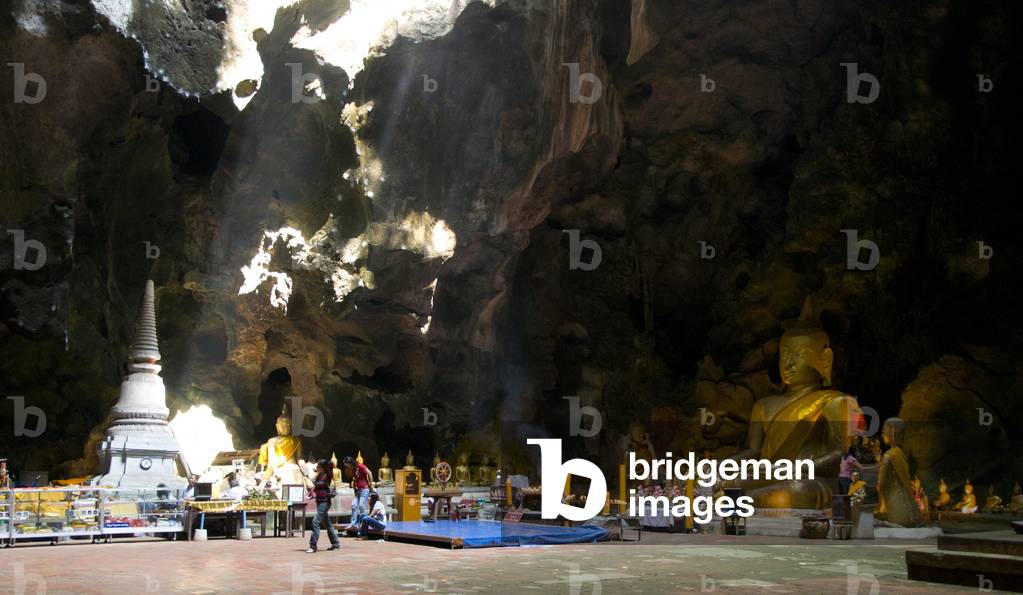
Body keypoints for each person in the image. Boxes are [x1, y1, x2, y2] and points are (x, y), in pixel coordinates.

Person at [306, 459, 340, 553]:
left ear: (322, 467)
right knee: (327, 524)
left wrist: (330, 464)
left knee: (315, 521)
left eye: (318, 466)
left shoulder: (327, 476)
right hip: (319, 501)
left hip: (325, 501)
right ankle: (335, 543)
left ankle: (313, 546)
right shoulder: (319, 476)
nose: (316, 468)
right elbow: (314, 485)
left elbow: (331, 465)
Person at [343, 455, 374, 525]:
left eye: (347, 464)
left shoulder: (360, 466)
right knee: (354, 505)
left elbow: (370, 473)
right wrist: (354, 486)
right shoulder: (353, 469)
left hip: (364, 489)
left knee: (361, 505)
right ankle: (353, 523)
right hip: (358, 490)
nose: (347, 466)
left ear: (350, 462)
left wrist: (371, 484)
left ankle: (364, 522)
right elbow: (356, 479)